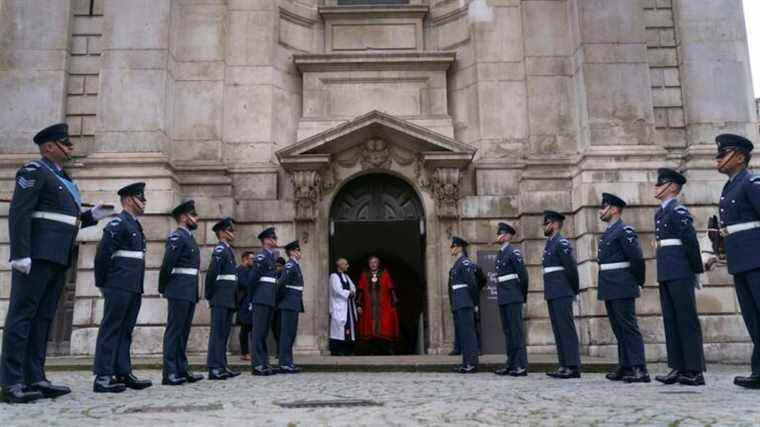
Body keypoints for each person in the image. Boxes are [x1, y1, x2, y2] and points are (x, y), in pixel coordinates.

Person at [0, 123, 113, 403]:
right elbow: (20, 212)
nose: (71, 147)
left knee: (43, 318)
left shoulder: (64, 178)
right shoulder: (34, 171)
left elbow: (65, 221)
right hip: (36, 255)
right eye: (65, 143)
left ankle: (35, 376)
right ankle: (10, 381)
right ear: (49, 146)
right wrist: (20, 252)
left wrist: (91, 217)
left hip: (58, 256)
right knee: (22, 316)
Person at [706, 134, 760, 389]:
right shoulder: (730, 187)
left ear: (739, 156)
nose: (718, 159)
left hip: (757, 259)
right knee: (753, 318)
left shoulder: (752, 182)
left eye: (723, 153)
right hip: (741, 261)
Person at [92, 182, 152, 393]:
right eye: (140, 198)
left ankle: (122, 371)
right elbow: (102, 257)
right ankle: (103, 375)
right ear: (128, 200)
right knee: (111, 328)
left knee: (126, 329)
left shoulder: (134, 225)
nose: (144, 202)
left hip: (132, 286)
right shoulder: (118, 223)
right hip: (118, 285)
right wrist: (103, 284)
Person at [652, 169, 706, 386]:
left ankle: (694, 370)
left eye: (660, 184)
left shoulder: (678, 210)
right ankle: (678, 366)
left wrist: (696, 271)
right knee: (671, 319)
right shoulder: (660, 213)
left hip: (681, 270)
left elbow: (690, 243)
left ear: (672, 187)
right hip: (666, 270)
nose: (656, 187)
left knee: (686, 319)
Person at [597, 193, 650, 383]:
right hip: (610, 284)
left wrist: (638, 282)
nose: (601, 211)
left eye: (604, 208)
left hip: (622, 284)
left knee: (628, 327)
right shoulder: (609, 232)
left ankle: (639, 368)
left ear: (614, 209)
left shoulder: (624, 230)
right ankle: (626, 365)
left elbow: (636, 259)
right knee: (618, 328)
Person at [159, 200, 204, 386]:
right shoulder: (177, 237)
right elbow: (167, 265)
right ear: (184, 217)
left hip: (188, 290)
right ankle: (169, 372)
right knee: (174, 331)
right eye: (193, 215)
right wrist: (163, 287)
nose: (197, 219)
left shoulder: (189, 238)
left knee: (183, 332)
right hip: (178, 289)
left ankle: (181, 368)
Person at [542, 210, 581, 379]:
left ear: (556, 224)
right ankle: (564, 364)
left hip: (562, 291)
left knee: (566, 329)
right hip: (552, 291)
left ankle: (573, 366)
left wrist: (574, 290)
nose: (545, 226)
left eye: (547, 223)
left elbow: (571, 269)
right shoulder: (550, 243)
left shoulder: (561, 243)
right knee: (558, 330)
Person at [205, 217, 241, 380]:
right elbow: (212, 274)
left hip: (227, 298)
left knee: (224, 333)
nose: (233, 233)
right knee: (217, 333)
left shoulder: (228, 250)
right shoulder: (220, 250)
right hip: (220, 297)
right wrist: (210, 295)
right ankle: (214, 367)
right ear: (222, 233)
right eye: (230, 230)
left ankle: (222, 365)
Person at [493, 222, 529, 377]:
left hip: (513, 296)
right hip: (504, 297)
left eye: (501, 233)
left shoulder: (513, 253)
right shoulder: (500, 254)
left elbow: (524, 276)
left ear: (507, 236)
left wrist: (521, 296)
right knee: (508, 332)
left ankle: (521, 365)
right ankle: (511, 364)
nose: (498, 236)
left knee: (517, 332)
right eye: (498, 233)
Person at [248, 227, 279, 376]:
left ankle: (264, 362)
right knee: (258, 332)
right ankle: (257, 364)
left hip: (268, 298)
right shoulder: (261, 257)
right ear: (266, 240)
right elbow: (253, 279)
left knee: (264, 332)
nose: (275, 241)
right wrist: (252, 299)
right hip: (260, 298)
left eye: (275, 238)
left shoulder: (271, 257)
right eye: (273, 238)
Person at [357, 256, 399, 354]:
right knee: (369, 330)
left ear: (378, 263)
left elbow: (391, 289)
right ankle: (371, 351)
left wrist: (394, 303)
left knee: (385, 328)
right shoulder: (364, 275)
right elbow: (360, 291)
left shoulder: (384, 274)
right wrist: (359, 304)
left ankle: (385, 351)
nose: (373, 264)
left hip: (384, 307)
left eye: (375, 262)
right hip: (369, 307)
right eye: (371, 262)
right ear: (368, 264)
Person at [448, 237, 479, 373]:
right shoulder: (457, 264)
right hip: (459, 302)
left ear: (460, 248)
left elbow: (472, 284)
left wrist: (475, 302)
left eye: (454, 246)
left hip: (465, 302)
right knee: (463, 334)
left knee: (468, 334)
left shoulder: (465, 263)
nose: (452, 249)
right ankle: (466, 362)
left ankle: (471, 363)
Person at [276, 241, 305, 373]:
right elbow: (281, 285)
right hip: (288, 303)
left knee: (291, 334)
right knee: (287, 334)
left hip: (293, 303)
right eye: (297, 250)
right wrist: (282, 301)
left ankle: (288, 362)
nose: (299, 253)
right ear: (292, 252)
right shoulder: (290, 266)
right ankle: (284, 363)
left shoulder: (295, 265)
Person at [329, 258, 358, 356]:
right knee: (339, 328)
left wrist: (352, 292)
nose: (347, 266)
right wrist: (349, 293)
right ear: (340, 265)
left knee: (349, 327)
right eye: (346, 264)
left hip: (348, 306)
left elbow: (353, 287)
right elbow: (337, 290)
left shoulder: (346, 276)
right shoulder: (334, 276)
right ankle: (338, 350)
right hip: (339, 306)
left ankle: (348, 349)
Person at [236, 251, 255, 362]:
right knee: (244, 329)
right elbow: (244, 284)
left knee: (252, 327)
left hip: (250, 302)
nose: (253, 261)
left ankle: (252, 352)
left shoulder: (251, 270)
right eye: (252, 259)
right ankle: (245, 352)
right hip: (244, 303)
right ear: (245, 259)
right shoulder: (240, 270)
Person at [272, 256, 287, 355]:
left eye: (279, 266)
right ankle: (278, 350)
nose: (277, 268)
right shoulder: (274, 275)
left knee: (280, 329)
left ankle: (280, 351)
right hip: (273, 306)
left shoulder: (284, 275)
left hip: (281, 306)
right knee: (274, 329)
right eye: (276, 266)